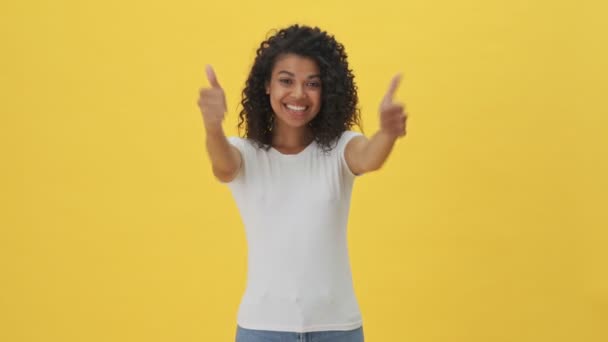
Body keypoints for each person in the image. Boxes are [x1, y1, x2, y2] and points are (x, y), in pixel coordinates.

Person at [198, 24, 408, 342]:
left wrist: (388, 134)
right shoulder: (246, 154)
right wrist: (212, 127)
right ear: (266, 85)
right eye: (286, 80)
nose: (298, 94)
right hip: (263, 328)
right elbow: (223, 165)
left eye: (312, 83)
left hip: (337, 328)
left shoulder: (340, 149)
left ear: (327, 91)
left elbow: (368, 157)